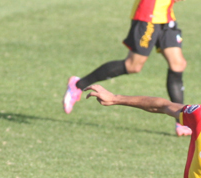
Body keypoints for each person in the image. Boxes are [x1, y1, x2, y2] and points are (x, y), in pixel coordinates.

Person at [63, 0, 192, 137]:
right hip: (148, 14)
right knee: (133, 65)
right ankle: (78, 85)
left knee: (178, 64)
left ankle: (181, 120)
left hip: (165, 14)